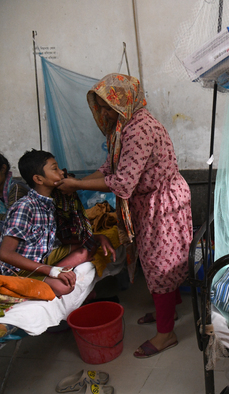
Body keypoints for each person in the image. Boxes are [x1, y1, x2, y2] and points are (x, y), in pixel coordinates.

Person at [55, 74, 193, 358]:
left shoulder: (139, 130)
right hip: (150, 202)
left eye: (109, 105)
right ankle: (169, 309)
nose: (105, 113)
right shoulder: (122, 128)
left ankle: (167, 334)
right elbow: (108, 168)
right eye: (102, 106)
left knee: (161, 264)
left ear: (124, 101)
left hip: (163, 204)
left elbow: (121, 183)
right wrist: (74, 184)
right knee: (159, 261)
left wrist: (78, 185)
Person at [0, 149, 114, 297]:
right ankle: (49, 275)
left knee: (87, 248)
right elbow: (5, 254)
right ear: (39, 179)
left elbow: (64, 239)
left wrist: (97, 237)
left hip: (41, 259)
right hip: (17, 270)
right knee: (63, 287)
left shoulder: (52, 203)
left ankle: (53, 273)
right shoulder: (25, 206)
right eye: (54, 168)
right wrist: (50, 271)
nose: (61, 172)